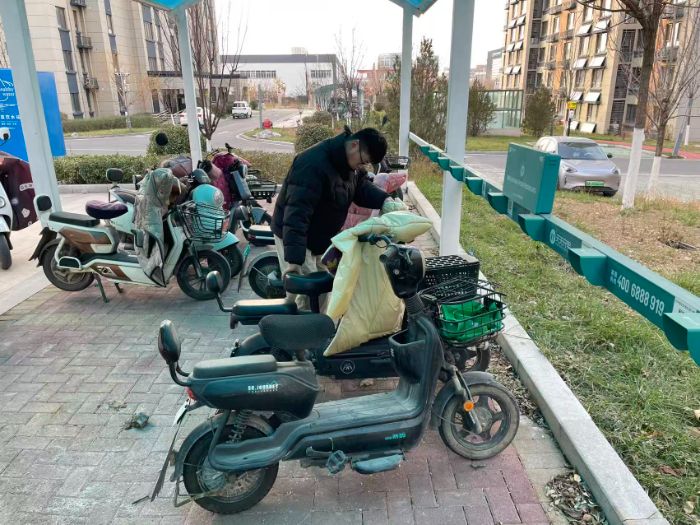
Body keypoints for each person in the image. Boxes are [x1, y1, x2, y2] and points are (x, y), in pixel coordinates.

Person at [271, 126, 404, 307]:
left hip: (320, 238)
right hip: (296, 236)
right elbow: (296, 214)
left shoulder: (348, 164)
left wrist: (384, 201)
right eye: (363, 161)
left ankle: (314, 319)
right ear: (354, 145)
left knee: (322, 290)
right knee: (308, 294)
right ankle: (300, 323)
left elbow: (361, 187)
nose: (362, 166)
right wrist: (294, 260)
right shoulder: (312, 164)